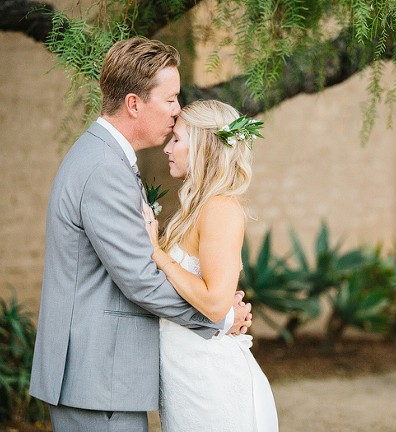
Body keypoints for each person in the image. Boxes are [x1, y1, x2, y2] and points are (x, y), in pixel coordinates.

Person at [29, 37, 252, 431]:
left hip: (101, 378)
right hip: (98, 378)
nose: (177, 111)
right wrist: (218, 319)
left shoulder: (105, 158)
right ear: (135, 104)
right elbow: (140, 280)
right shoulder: (104, 168)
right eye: (170, 100)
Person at [143, 99, 277, 431]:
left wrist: (156, 253)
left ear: (202, 147)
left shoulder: (220, 209)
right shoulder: (195, 208)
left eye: (177, 139)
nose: (166, 148)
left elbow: (217, 303)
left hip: (209, 381)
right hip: (188, 375)